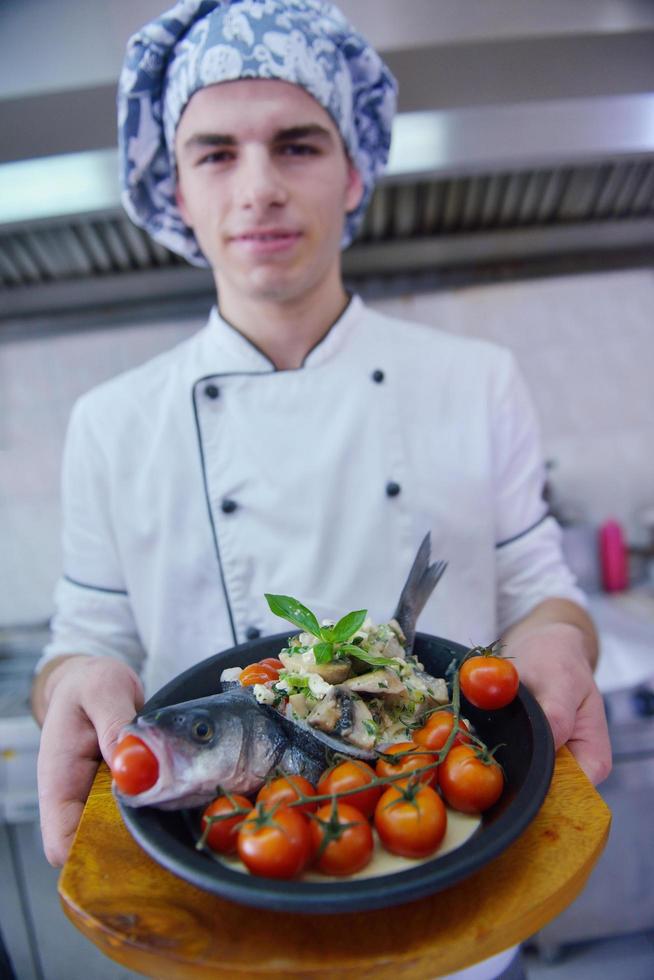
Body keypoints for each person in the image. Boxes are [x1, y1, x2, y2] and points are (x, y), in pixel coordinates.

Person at [31, 2, 611, 978]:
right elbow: (86, 632)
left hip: (448, 885)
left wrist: (557, 636)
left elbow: (535, 579)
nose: (258, 187)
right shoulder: (110, 421)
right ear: (174, 184)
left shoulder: (477, 379)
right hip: (229, 885)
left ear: (353, 172)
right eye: (215, 153)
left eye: (296, 144)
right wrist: (72, 686)